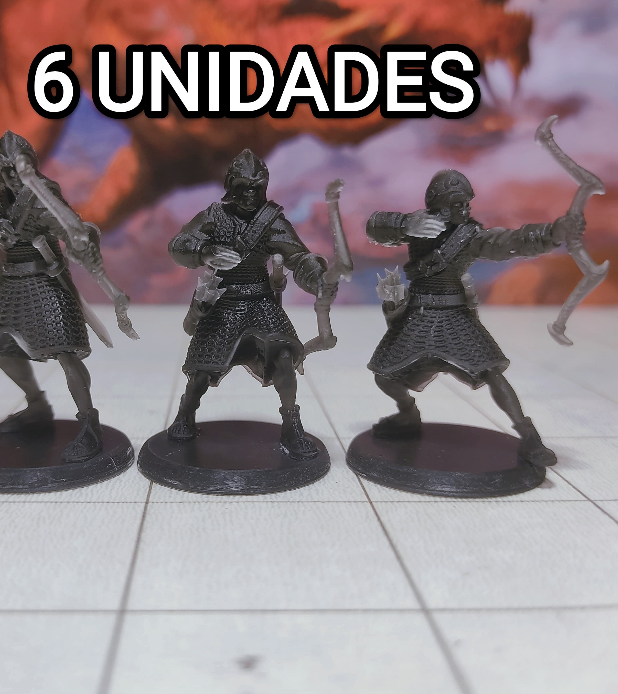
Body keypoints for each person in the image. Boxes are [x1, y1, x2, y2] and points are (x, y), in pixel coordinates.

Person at [366, 169, 581, 467]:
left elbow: (509, 241)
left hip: (455, 318)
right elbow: (375, 227)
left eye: (467, 203)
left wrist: (552, 233)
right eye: (457, 204)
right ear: (439, 207)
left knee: (492, 373)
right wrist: (406, 223)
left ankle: (529, 436)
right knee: (384, 376)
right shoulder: (419, 227)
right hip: (418, 317)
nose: (465, 209)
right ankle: (407, 415)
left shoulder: (470, 236)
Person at [167, 149, 335, 460]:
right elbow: (179, 244)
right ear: (231, 185)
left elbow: (299, 256)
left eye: (256, 188)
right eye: (243, 187)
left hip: (260, 302)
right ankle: (185, 414)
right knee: (201, 370)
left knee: (284, 360)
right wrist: (205, 251)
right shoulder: (214, 216)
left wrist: (317, 277)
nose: (249, 195)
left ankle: (292, 425)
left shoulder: (271, 220)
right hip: (223, 300)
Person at [0, 131, 107, 462]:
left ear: (30, 165)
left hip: (47, 281)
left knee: (66, 354)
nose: (12, 176)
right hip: (13, 283)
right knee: (2, 350)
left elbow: (71, 226)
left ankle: (89, 424)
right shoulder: (1, 200)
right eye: (5, 170)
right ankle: (37, 404)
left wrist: (82, 241)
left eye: (17, 168)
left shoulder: (43, 194)